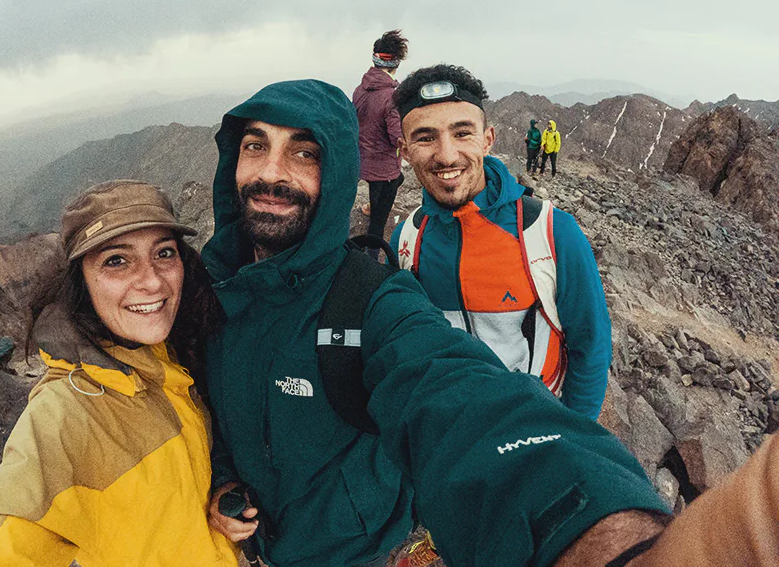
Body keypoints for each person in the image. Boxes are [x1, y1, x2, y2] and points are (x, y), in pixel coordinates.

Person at [200, 79, 671, 567]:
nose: (272, 171)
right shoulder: (204, 294)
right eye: (256, 145)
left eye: (305, 153)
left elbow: (438, 375)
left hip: (383, 525)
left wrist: (581, 502)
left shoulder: (544, 235)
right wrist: (223, 478)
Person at [0, 181, 238, 566]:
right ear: (82, 281)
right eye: (116, 260)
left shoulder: (172, 357)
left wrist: (217, 502)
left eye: (164, 253)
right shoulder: (68, 412)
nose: (152, 280)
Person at [389, 65, 610, 420]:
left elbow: (590, 344)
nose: (446, 155)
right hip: (447, 429)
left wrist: (572, 437)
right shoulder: (406, 239)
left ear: (488, 139)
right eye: (425, 137)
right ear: (404, 150)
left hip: (532, 424)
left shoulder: (550, 231)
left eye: (462, 133)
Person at [353, 30, 408, 243]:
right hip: (384, 168)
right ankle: (373, 259)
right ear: (396, 63)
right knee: (378, 222)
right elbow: (397, 137)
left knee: (397, 181)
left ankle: (370, 205)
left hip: (363, 160)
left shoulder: (360, 89)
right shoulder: (391, 96)